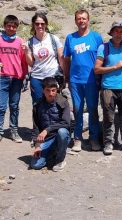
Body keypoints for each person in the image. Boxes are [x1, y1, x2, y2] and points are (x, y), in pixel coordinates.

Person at [63, 9, 103, 152]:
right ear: (75, 21)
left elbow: (102, 58)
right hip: (75, 81)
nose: (81, 21)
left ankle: (94, 138)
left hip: (92, 80)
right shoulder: (70, 38)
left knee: (92, 109)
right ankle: (77, 139)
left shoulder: (96, 37)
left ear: (88, 20)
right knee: (77, 109)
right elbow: (66, 59)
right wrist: (66, 77)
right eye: (79, 18)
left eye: (84, 18)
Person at [94, 21, 122, 155]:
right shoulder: (103, 48)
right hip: (108, 88)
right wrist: (115, 67)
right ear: (111, 33)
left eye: (121, 31)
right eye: (116, 31)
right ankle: (108, 143)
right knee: (108, 118)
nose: (118, 34)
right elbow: (97, 69)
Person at [30, 77, 71, 172]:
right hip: (46, 139)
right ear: (43, 90)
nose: (51, 93)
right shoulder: (38, 105)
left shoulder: (63, 102)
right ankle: (52, 152)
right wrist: (37, 145)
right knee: (35, 165)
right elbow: (35, 127)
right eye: (47, 90)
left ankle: (60, 160)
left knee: (62, 132)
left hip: (60, 136)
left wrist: (47, 130)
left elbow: (66, 123)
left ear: (57, 90)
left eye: (53, 90)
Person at [24, 13, 64, 105]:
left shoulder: (54, 39)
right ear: (33, 25)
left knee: (54, 103)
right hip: (37, 78)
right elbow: (31, 64)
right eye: (37, 24)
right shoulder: (30, 42)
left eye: (42, 23)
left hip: (53, 76)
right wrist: (26, 52)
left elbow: (61, 58)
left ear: (46, 24)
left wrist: (65, 75)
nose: (40, 26)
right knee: (37, 105)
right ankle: (38, 120)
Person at [0, 15, 28, 143]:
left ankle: (13, 131)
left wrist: (25, 75)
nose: (11, 28)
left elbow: (24, 60)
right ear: (5, 26)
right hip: (2, 77)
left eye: (13, 26)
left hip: (17, 78)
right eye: (8, 26)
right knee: (1, 106)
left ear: (17, 27)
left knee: (14, 106)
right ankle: (0, 131)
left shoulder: (20, 42)